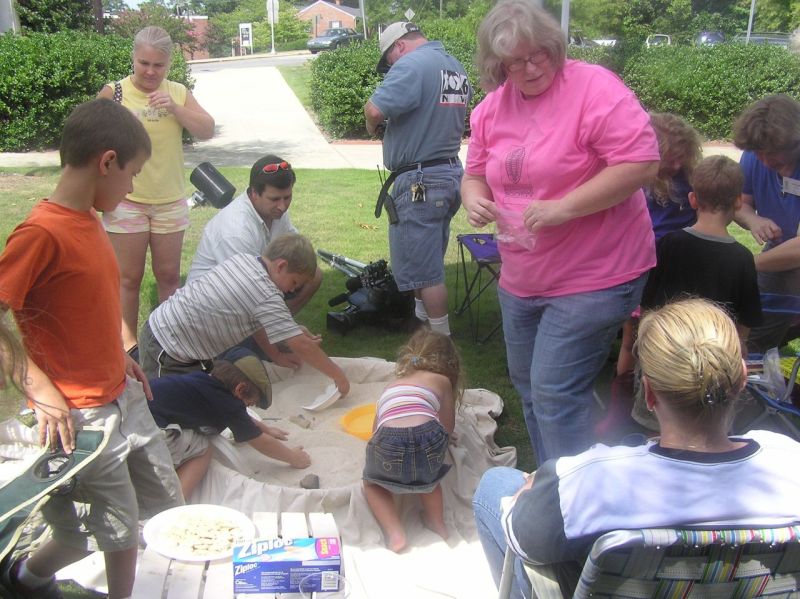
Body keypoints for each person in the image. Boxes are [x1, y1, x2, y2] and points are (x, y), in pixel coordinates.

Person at [473, 298, 800, 599]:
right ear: (742, 378)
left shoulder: (589, 482)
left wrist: (532, 495)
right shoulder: (789, 464)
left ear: (649, 394)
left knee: (497, 484)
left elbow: (527, 544)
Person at [461, 0, 659, 464]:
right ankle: (556, 480)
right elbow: (474, 175)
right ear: (498, 65)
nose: (531, 68)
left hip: (596, 271)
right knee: (530, 387)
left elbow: (641, 161)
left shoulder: (593, 88)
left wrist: (565, 208)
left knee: (553, 391)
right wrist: (474, 199)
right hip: (523, 275)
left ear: (554, 47)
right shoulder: (491, 110)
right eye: (517, 61)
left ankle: (574, 503)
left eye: (540, 55)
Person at [0, 99, 182, 599]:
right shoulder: (41, 232)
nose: (131, 189)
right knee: (111, 532)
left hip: (122, 394)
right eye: (132, 175)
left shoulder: (90, 219)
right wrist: (38, 388)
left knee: (166, 502)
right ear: (106, 162)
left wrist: (118, 355)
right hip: (79, 417)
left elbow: (82, 307)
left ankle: (24, 579)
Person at [97, 26, 215, 360]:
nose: (150, 71)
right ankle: (128, 348)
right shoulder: (115, 93)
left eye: (158, 65)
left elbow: (207, 129)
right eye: (143, 63)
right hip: (126, 201)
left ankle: (168, 346)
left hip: (169, 201)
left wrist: (176, 110)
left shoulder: (177, 92)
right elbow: (88, 136)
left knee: (168, 276)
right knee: (128, 278)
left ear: (168, 64)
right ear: (133, 58)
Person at [139, 233, 350, 396]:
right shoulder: (266, 292)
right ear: (281, 266)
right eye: (294, 283)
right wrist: (339, 376)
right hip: (167, 346)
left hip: (176, 341)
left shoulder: (246, 261)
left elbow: (255, 322)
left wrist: (276, 354)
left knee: (191, 399)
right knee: (159, 402)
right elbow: (300, 345)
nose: (291, 291)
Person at [364, 22, 471, 336]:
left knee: (425, 275)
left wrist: (374, 129)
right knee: (427, 262)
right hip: (448, 174)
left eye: (388, 62)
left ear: (398, 46)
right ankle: (424, 332)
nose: (390, 67)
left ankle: (440, 343)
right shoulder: (454, 66)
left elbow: (373, 111)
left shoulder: (411, 64)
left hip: (421, 181)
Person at [187, 155, 322, 364]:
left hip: (248, 291)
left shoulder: (276, 212)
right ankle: (262, 340)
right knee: (246, 365)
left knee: (310, 275)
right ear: (253, 193)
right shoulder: (235, 230)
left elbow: (296, 256)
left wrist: (285, 327)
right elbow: (249, 295)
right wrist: (285, 333)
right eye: (275, 199)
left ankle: (273, 335)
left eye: (287, 197)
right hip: (213, 310)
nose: (283, 206)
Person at [148, 348, 310, 499]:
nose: (245, 408)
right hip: (154, 431)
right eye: (249, 404)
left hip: (137, 415)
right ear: (240, 389)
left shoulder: (205, 382)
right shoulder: (229, 403)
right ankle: (176, 502)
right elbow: (261, 442)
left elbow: (239, 418)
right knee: (203, 449)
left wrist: (265, 428)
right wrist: (293, 458)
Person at [615, 112, 704, 376]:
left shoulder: (689, 179)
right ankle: (622, 395)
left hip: (677, 265)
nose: (676, 165)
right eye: (671, 158)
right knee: (633, 333)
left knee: (669, 332)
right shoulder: (638, 179)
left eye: (681, 158)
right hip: (642, 263)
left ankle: (660, 383)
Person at [363, 329, 462, 553]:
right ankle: (438, 524)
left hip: (388, 438)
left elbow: (374, 432)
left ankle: (395, 533)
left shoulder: (391, 386)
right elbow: (447, 425)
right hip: (427, 433)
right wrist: (443, 440)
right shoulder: (442, 380)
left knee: (371, 484)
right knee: (429, 480)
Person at [733, 94, 800, 353]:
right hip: (778, 255)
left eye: (771, 154)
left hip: (783, 256)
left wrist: (747, 265)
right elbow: (740, 203)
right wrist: (753, 219)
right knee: (753, 332)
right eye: (758, 153)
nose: (764, 161)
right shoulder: (754, 156)